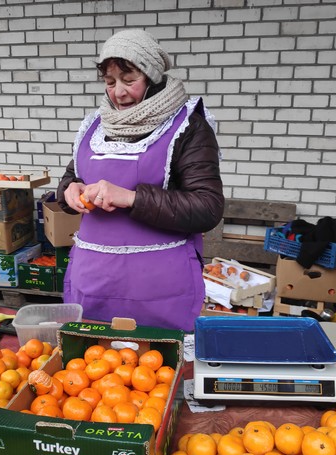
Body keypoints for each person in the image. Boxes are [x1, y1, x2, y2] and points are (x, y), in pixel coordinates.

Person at [57, 29, 224, 332]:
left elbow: (207, 207)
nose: (118, 93)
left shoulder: (188, 127)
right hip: (92, 283)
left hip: (158, 291)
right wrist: (69, 190)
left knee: (156, 361)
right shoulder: (95, 126)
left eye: (129, 80)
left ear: (152, 77)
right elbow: (74, 175)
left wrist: (131, 198)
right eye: (110, 82)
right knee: (89, 361)